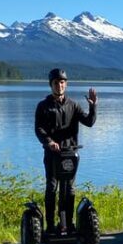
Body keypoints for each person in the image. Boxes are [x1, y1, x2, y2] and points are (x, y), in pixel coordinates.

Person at [34, 68, 97, 234]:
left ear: (66, 85)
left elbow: (89, 122)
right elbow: (39, 129)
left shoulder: (73, 105)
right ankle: (50, 225)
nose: (59, 85)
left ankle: (68, 224)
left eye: (62, 82)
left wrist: (93, 107)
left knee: (69, 189)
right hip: (52, 154)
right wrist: (49, 141)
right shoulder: (43, 106)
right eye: (56, 83)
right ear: (51, 85)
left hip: (70, 154)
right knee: (52, 187)